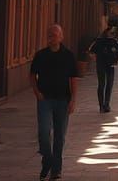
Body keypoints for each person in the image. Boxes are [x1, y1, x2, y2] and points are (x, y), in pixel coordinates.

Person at [30, 24, 79, 181]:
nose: (52, 37)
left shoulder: (68, 55)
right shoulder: (41, 55)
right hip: (45, 99)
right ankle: (47, 160)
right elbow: (32, 75)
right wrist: (36, 92)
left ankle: (56, 170)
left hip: (63, 100)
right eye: (50, 35)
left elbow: (73, 78)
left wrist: (73, 99)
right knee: (44, 132)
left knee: (59, 136)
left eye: (55, 35)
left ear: (61, 37)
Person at [88, 27, 118, 113]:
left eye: (113, 33)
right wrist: (96, 59)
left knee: (108, 85)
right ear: (106, 32)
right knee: (102, 84)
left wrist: (115, 61)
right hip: (101, 65)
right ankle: (101, 105)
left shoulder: (114, 42)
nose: (112, 34)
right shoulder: (99, 41)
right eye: (111, 32)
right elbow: (90, 51)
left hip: (110, 66)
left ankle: (106, 104)